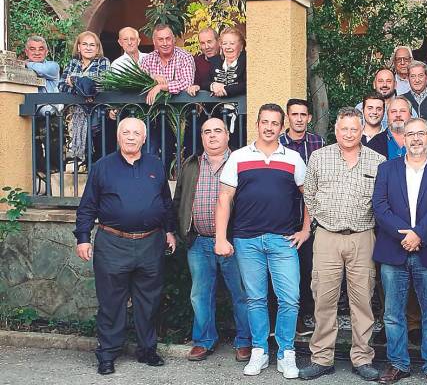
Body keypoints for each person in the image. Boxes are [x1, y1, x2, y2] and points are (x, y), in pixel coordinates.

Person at [74, 117, 176, 375]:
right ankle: (107, 354)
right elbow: (87, 206)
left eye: (136, 133)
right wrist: (83, 237)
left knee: (149, 301)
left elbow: (165, 202)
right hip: (112, 243)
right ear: (118, 137)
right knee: (111, 302)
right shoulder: (102, 167)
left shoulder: (155, 164)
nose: (131, 137)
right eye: (125, 132)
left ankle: (147, 350)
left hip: (151, 243)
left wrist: (170, 231)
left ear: (144, 138)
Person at [215, 104, 310, 378]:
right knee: (255, 299)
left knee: (290, 299)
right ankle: (259, 350)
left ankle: (286, 353)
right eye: (264, 122)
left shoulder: (293, 158)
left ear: (282, 127)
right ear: (257, 124)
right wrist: (221, 238)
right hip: (246, 241)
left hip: (283, 241)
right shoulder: (238, 157)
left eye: (275, 123)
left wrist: (305, 230)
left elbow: (309, 196)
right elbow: (224, 199)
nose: (269, 127)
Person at [299, 107, 386, 381]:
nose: (349, 134)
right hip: (327, 237)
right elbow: (309, 194)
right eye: (344, 128)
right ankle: (322, 358)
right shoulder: (319, 157)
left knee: (363, 301)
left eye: (354, 129)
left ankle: (362, 358)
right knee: (323, 299)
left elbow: (382, 200)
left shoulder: (378, 160)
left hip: (363, 237)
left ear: (362, 131)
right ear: (335, 130)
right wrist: (320, 220)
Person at [372, 117, 427, 385]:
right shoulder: (386, 169)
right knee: (392, 313)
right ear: (403, 139)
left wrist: (419, 234)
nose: (416, 139)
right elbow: (380, 207)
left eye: (421, 134)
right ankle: (398, 363)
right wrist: (405, 235)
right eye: (410, 134)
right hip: (393, 249)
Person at [172, 117, 251, 362]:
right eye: (207, 132)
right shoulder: (191, 164)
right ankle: (204, 340)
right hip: (199, 242)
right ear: (202, 137)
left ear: (228, 135)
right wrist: (180, 231)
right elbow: (179, 199)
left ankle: (245, 341)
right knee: (200, 294)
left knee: (241, 293)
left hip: (232, 242)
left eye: (218, 131)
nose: (212, 136)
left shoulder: (240, 162)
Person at [279, 98, 326, 336]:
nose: (299, 118)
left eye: (303, 115)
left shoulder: (318, 142)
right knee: (286, 273)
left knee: (310, 270)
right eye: (294, 114)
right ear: (288, 117)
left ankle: (308, 315)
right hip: (284, 217)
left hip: (313, 219)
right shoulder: (277, 143)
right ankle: (290, 319)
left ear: (309, 117)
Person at [60, 31, 111, 160]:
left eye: (92, 45)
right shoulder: (73, 63)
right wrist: (84, 88)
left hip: (99, 115)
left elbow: (102, 84)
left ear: (97, 48)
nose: (88, 48)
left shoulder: (103, 62)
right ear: (79, 47)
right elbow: (62, 86)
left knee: (100, 151)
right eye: (84, 44)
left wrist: (74, 81)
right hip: (78, 115)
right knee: (85, 151)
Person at [140, 24, 195, 105]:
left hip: (180, 111)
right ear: (154, 42)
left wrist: (161, 87)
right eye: (160, 40)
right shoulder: (147, 59)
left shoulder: (185, 57)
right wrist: (153, 77)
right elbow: (140, 82)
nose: (165, 43)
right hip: (152, 110)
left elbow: (187, 83)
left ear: (173, 40)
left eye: (168, 39)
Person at [200, 27, 246, 97]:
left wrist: (226, 89)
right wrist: (213, 86)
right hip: (217, 107)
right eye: (224, 43)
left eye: (232, 43)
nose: (228, 47)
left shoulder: (247, 62)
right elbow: (204, 83)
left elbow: (248, 85)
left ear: (241, 46)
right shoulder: (215, 61)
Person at [188, 27, 220, 95]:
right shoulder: (197, 61)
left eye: (209, 42)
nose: (206, 47)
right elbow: (196, 82)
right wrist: (195, 86)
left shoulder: (227, 59)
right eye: (202, 43)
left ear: (218, 41)